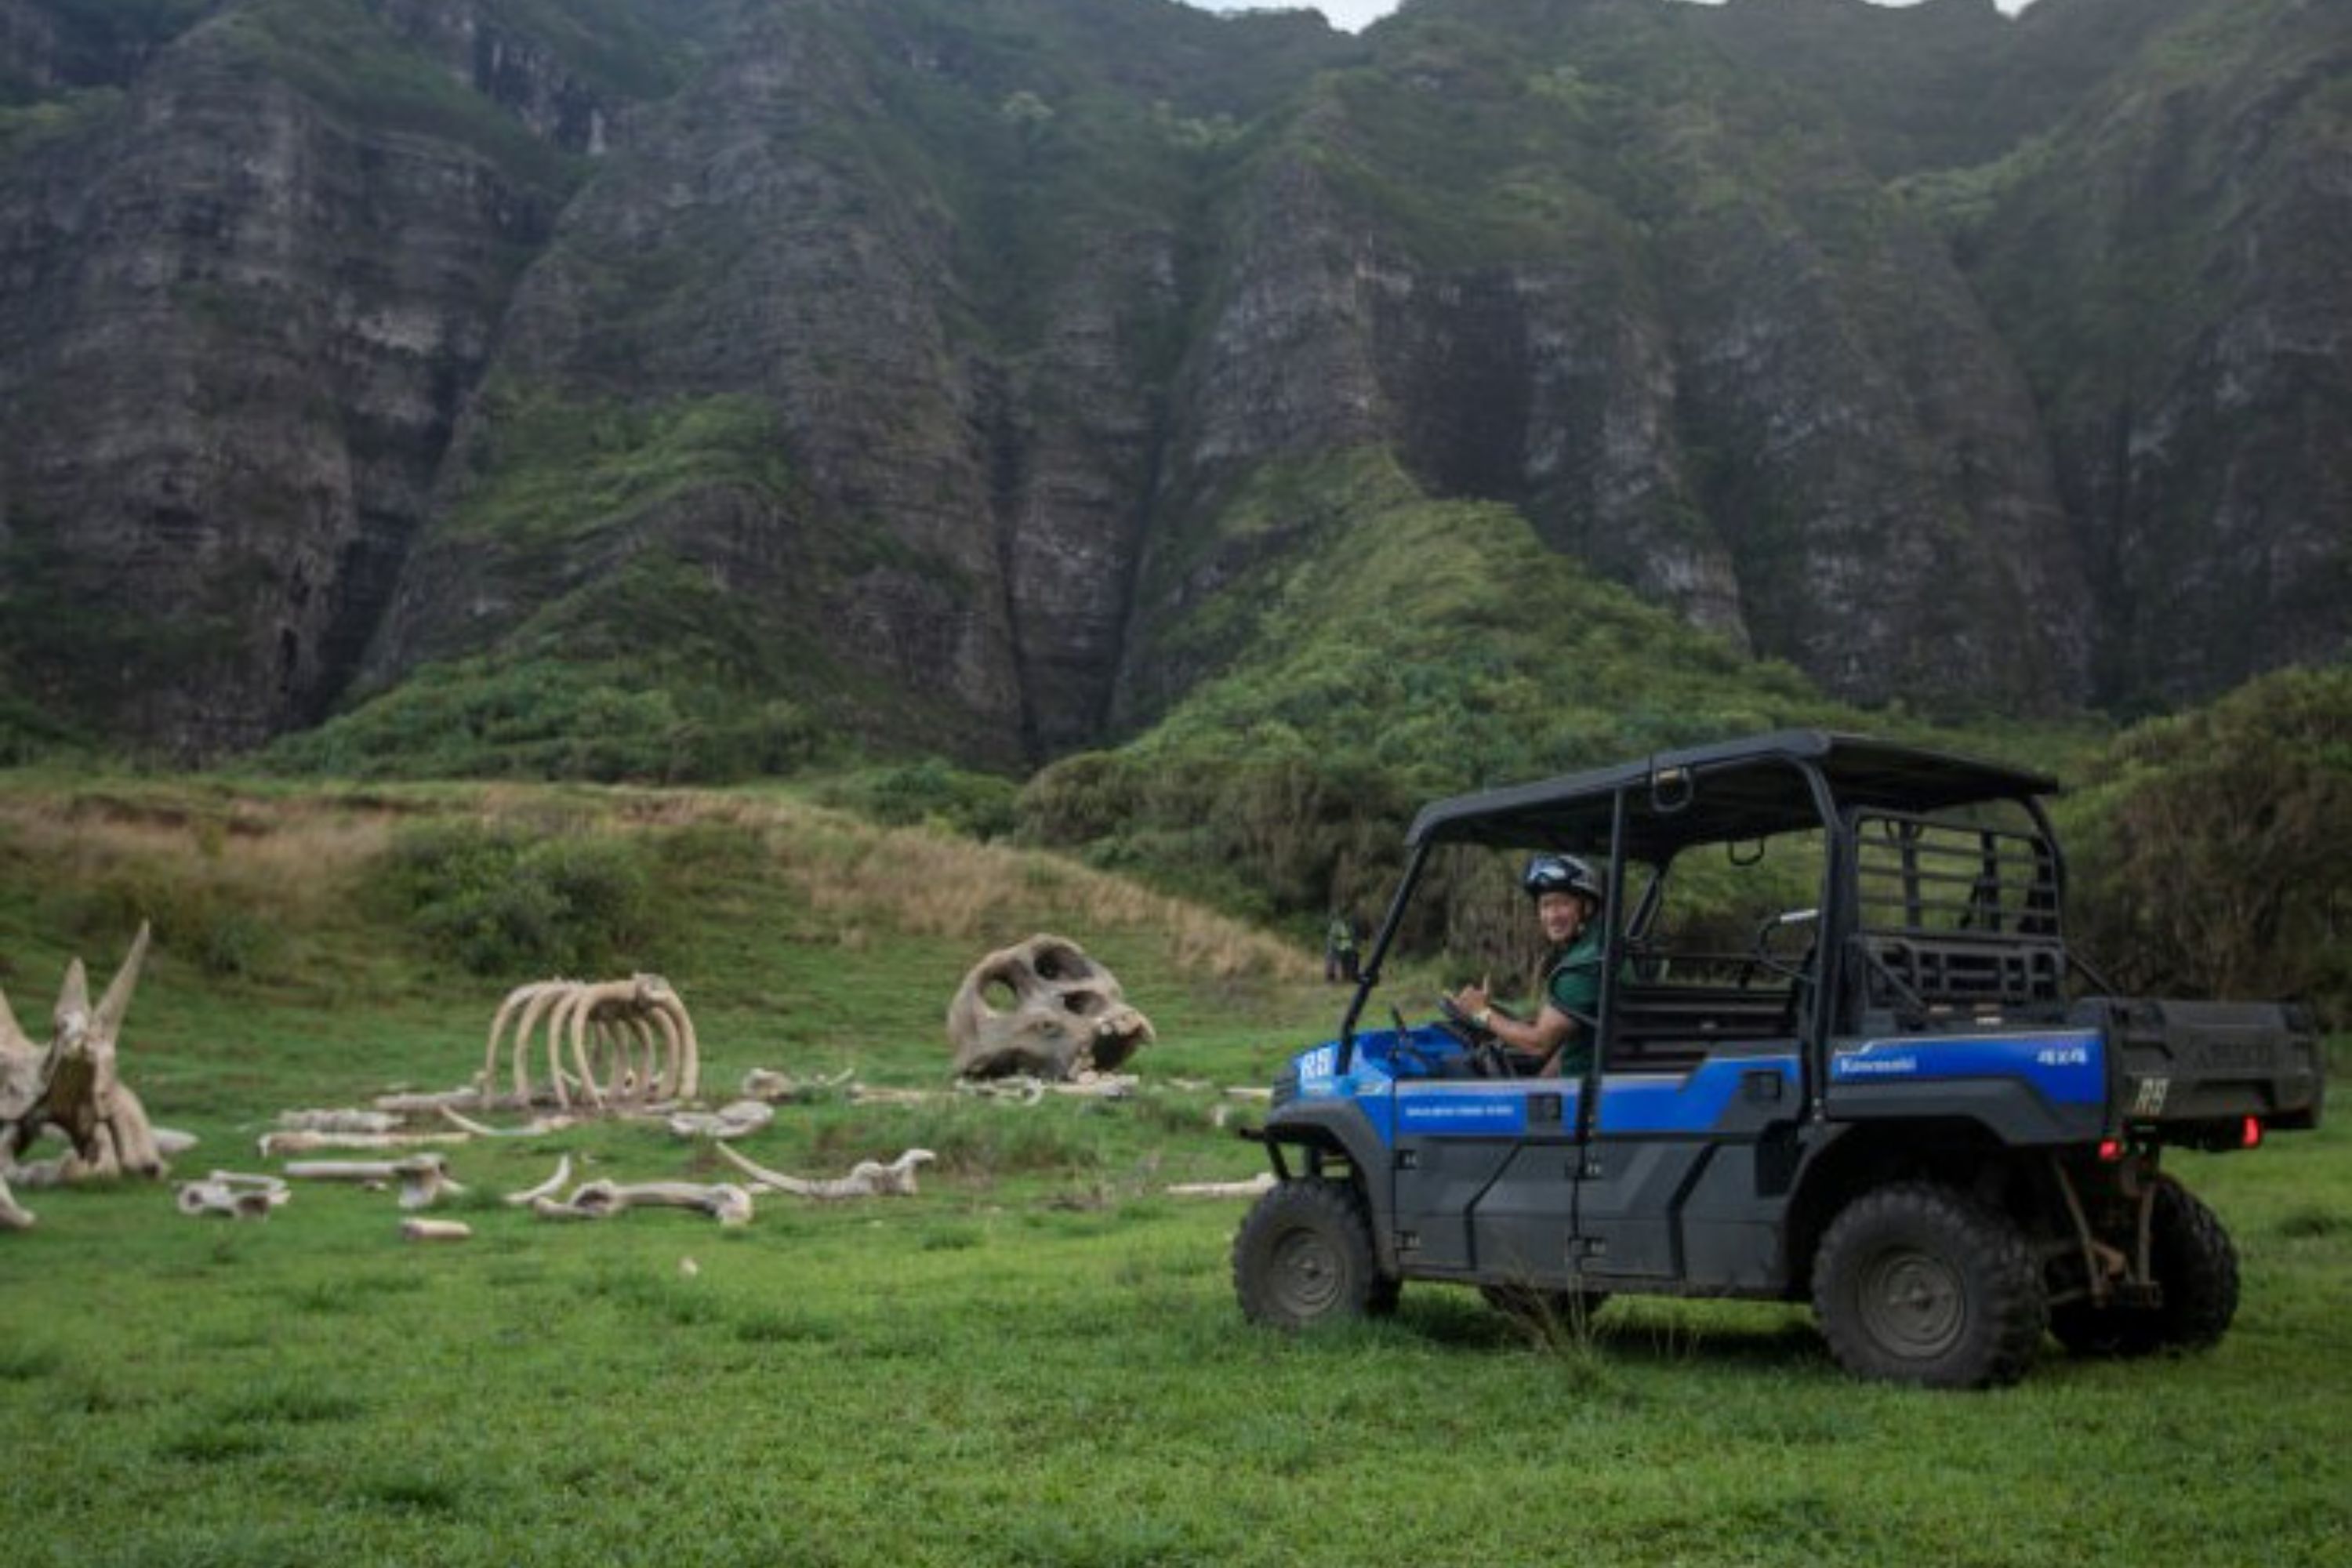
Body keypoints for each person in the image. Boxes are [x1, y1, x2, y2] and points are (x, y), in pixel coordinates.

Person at [1447, 852, 1607, 1077]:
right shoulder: (1602, 947)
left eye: (1563, 903)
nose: (1552, 916)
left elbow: (1538, 1044)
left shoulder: (1584, 965)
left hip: (1585, 1096)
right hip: (1586, 1084)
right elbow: (1570, 1043)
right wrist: (1539, 1088)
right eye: (1545, 905)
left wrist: (1482, 1013)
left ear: (1587, 906)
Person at [1324, 912, 1359, 984]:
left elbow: (1353, 937)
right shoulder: (1336, 925)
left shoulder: (1350, 926)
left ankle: (1350, 977)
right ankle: (1331, 978)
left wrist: (1354, 946)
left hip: (1348, 947)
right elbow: (1332, 938)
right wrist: (1335, 946)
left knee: (1354, 957)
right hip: (1336, 947)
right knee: (1331, 959)